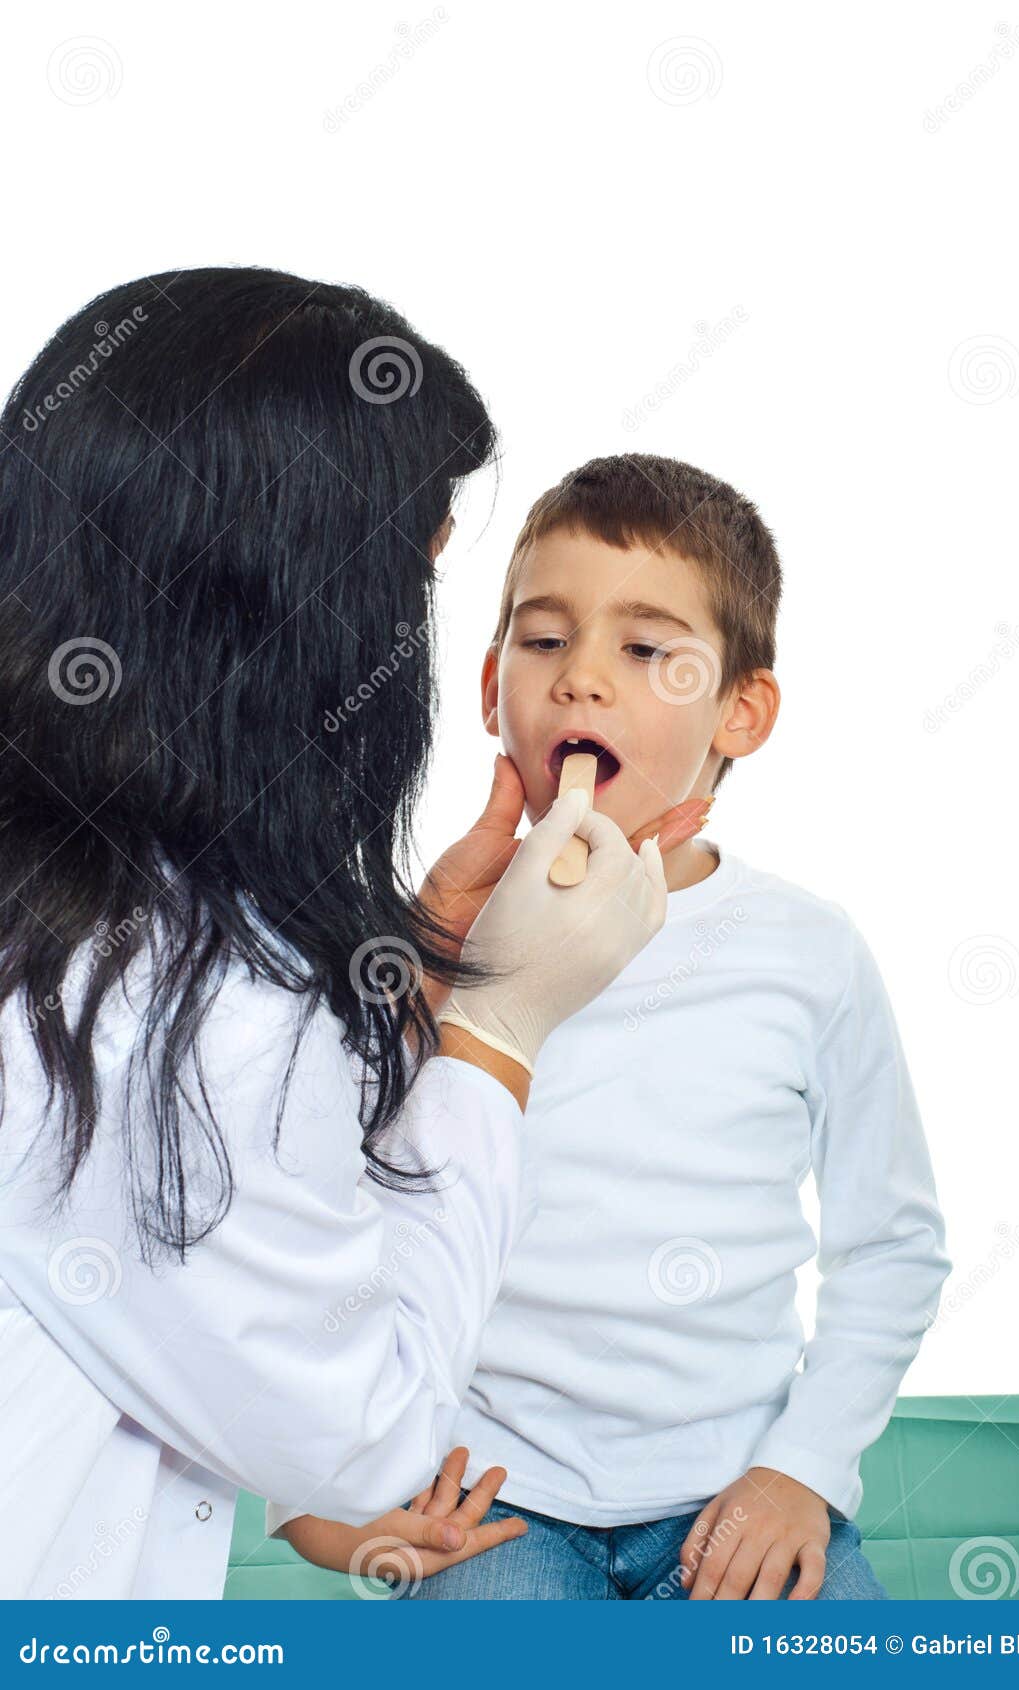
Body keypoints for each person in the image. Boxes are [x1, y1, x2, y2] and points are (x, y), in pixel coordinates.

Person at [0, 275, 702, 1600]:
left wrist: (416, 970)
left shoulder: (109, 919)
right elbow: (357, 1433)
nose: (573, 680)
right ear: (284, 610)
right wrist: (497, 1032)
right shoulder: (172, 998)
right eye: (409, 580)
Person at [270, 453, 954, 1600]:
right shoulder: (414, 944)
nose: (581, 678)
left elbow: (892, 1246)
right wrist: (316, 1494)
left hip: (736, 1489)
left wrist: (806, 1469)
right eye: (543, 641)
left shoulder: (807, 951)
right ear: (492, 687)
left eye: (645, 650)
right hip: (491, 1497)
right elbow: (303, 1215)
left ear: (743, 710)